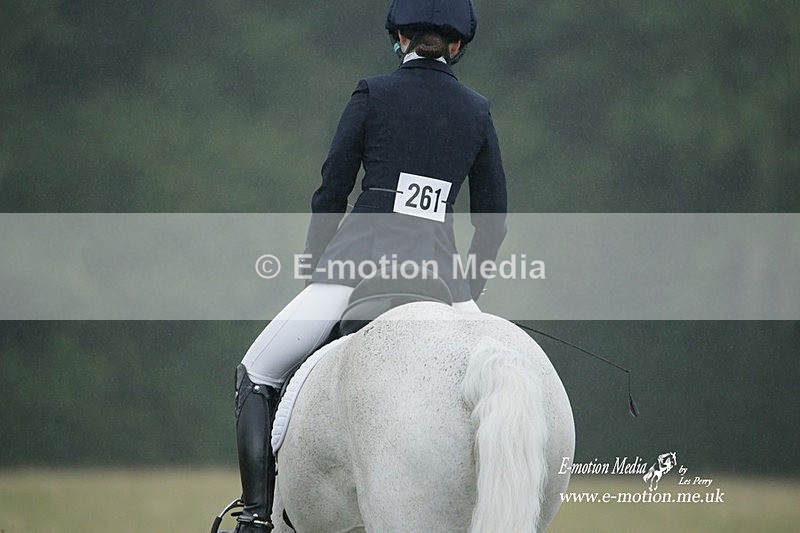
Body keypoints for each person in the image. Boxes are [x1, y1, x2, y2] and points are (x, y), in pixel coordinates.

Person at [229, 1, 506, 530]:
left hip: (354, 267)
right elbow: (493, 225)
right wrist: (466, 292)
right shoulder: (477, 110)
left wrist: (317, 267)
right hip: (441, 279)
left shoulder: (373, 93)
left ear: (400, 36)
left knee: (256, 373)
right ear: (457, 45)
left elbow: (331, 191)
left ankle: (256, 519)